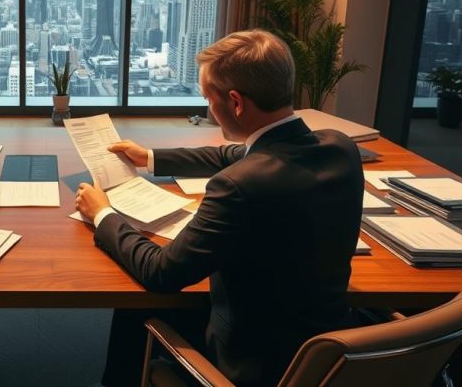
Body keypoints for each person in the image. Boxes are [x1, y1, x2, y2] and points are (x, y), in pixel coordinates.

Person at [75, 30, 363, 387]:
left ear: (236, 103)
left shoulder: (238, 187)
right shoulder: (341, 148)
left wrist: (103, 214)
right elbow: (234, 154)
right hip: (328, 349)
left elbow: (161, 272)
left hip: (256, 362)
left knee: (137, 305)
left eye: (209, 99)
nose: (208, 108)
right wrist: (149, 157)